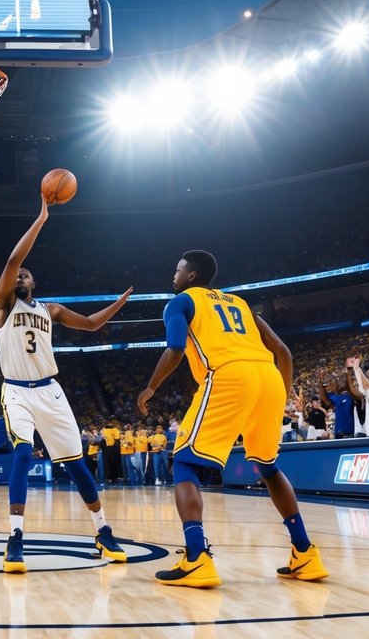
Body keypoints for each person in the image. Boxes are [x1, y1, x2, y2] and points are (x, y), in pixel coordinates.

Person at [137, 250, 328, 587]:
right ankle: (305, 553)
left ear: (192, 276)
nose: (174, 276)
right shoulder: (239, 303)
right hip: (268, 377)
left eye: (178, 270)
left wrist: (150, 387)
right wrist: (281, 395)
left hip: (228, 374)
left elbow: (176, 348)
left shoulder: (180, 303)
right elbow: (282, 350)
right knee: (268, 467)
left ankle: (196, 557)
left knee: (183, 463)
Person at [0, 195, 132, 574]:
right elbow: (11, 262)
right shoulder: (5, 306)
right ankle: (15, 538)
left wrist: (118, 304)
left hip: (50, 391)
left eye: (25, 275)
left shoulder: (50, 310)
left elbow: (90, 324)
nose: (20, 276)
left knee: (76, 467)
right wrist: (41, 218)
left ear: (35, 283)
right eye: (17, 275)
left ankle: (102, 531)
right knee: (23, 454)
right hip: (17, 391)